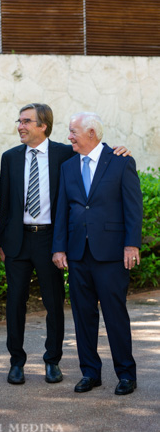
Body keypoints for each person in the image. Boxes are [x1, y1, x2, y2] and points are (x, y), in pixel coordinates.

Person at [0, 103, 130, 386]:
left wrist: (119, 150)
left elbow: (96, 159)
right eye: (19, 121)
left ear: (43, 125)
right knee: (15, 304)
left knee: (55, 304)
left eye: (26, 121)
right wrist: (1, 241)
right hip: (19, 241)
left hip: (50, 239)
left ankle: (52, 361)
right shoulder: (10, 158)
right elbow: (5, 205)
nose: (20, 126)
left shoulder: (63, 154)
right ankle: (16, 363)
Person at [52, 112, 143, 395]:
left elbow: (133, 207)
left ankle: (126, 374)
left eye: (73, 131)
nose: (69, 137)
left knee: (115, 315)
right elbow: (62, 209)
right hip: (78, 254)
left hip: (112, 254)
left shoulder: (121, 161)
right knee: (83, 316)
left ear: (91, 133)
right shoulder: (67, 167)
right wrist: (59, 247)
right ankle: (90, 372)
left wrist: (131, 245)